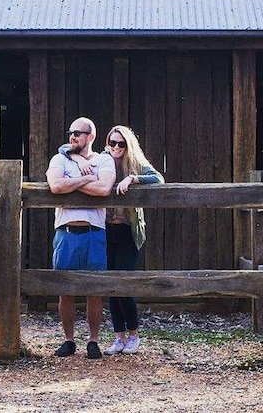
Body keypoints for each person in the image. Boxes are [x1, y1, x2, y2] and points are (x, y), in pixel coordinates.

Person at [58, 125, 164, 355]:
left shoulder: (135, 163)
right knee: (108, 285)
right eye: (112, 143)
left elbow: (158, 179)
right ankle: (119, 337)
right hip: (106, 230)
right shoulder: (102, 160)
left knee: (123, 282)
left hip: (127, 230)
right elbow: (65, 147)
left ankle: (133, 333)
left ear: (128, 145)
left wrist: (134, 179)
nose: (116, 147)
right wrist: (76, 155)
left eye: (121, 144)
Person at [46, 117, 116, 359]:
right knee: (65, 290)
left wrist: (71, 184)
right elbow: (55, 186)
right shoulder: (59, 159)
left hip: (93, 233)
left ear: (91, 137)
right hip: (66, 233)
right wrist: (87, 179)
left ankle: (93, 340)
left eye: (78, 133)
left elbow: (104, 189)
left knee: (93, 290)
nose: (72, 136)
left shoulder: (103, 159)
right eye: (70, 132)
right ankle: (68, 340)